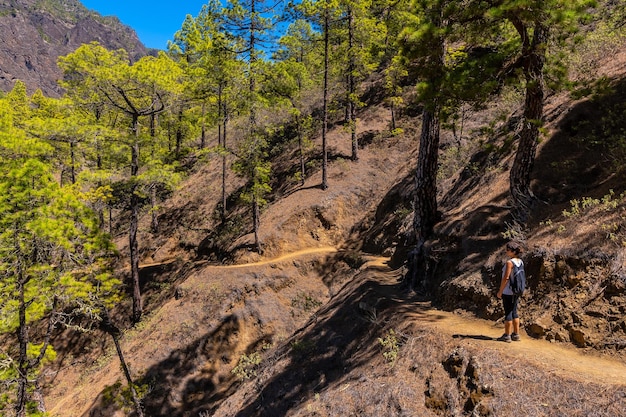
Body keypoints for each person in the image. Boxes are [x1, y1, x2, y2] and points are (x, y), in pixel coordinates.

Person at [496, 241, 524, 342]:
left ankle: (507, 336)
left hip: (508, 292)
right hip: (516, 291)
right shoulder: (520, 261)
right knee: (515, 312)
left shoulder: (509, 263)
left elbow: (506, 278)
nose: (506, 252)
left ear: (512, 251)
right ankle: (516, 334)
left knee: (508, 312)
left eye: (507, 250)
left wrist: (500, 291)